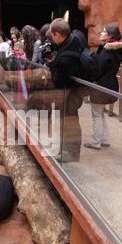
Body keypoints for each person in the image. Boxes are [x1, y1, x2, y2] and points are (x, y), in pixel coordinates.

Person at [84, 23, 122, 150]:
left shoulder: (106, 53)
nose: (101, 33)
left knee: (96, 114)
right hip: (111, 85)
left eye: (104, 32)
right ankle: (105, 139)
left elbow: (98, 71)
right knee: (100, 113)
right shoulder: (115, 51)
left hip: (101, 87)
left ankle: (95, 142)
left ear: (109, 36)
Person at [49, 18, 87, 162]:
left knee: (69, 123)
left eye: (53, 36)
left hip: (70, 93)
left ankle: (70, 154)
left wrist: (52, 64)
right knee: (71, 122)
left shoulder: (65, 57)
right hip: (75, 91)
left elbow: (57, 81)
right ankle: (67, 151)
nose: (53, 39)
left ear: (58, 35)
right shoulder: (75, 40)